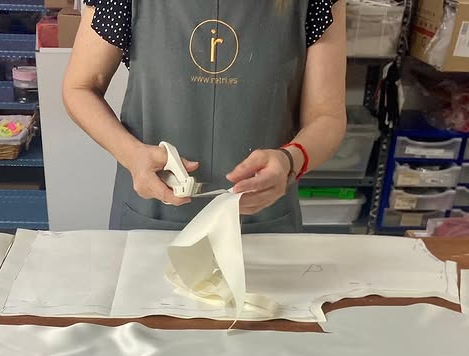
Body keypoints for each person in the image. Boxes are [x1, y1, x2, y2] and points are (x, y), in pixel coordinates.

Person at [63, 0, 347, 232]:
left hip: (262, 222)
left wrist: (290, 160)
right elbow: (79, 88)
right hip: (150, 217)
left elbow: (326, 116)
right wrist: (131, 155)